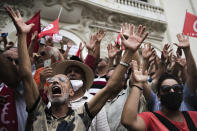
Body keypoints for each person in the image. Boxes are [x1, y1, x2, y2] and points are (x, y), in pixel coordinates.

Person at [6, 6, 149, 130]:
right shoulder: (37, 113)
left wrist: (129, 52)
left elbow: (110, 86)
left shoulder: (83, 116)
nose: (55, 82)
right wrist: (22, 36)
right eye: (53, 82)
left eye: (62, 80)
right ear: (47, 91)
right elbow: (25, 74)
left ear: (71, 91)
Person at [121, 60, 197, 131]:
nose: (172, 91)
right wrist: (137, 84)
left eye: (176, 88)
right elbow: (128, 121)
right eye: (166, 89)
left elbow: (193, 76)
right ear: (159, 96)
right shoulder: (151, 118)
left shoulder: (193, 116)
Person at [53, 56, 110, 131]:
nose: (72, 73)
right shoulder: (55, 100)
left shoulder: (94, 101)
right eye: (69, 72)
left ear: (84, 78)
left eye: (77, 71)